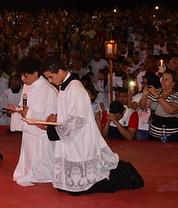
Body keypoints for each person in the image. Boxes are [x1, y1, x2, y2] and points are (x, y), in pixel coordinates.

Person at [40, 56, 143, 195]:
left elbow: (76, 121)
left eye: (50, 77)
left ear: (60, 71)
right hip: (70, 139)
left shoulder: (75, 88)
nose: (49, 81)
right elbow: (69, 113)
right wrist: (55, 119)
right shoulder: (65, 86)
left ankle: (127, 174)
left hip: (80, 138)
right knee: (66, 186)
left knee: (85, 186)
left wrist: (51, 128)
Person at [9, 57, 58, 187]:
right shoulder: (26, 86)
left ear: (35, 73)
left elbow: (51, 118)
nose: (23, 79)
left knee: (43, 171)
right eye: (21, 76)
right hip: (28, 133)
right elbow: (23, 107)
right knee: (27, 168)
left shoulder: (49, 90)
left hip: (41, 136)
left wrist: (28, 113)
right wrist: (15, 110)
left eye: (25, 75)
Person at [139, 71, 178, 142]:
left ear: (173, 83)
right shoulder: (157, 91)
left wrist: (158, 96)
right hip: (154, 135)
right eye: (162, 78)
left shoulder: (177, 95)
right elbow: (143, 107)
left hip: (172, 136)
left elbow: (171, 110)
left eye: (166, 79)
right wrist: (145, 95)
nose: (163, 81)